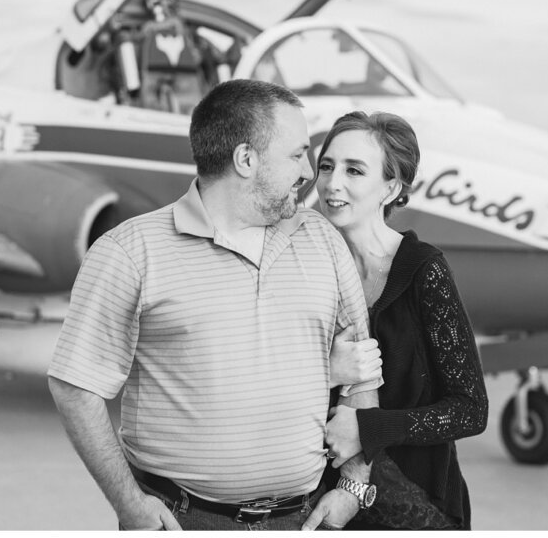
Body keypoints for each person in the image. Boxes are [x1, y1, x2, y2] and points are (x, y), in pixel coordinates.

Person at [47, 80, 382, 531]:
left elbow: (363, 374)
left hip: (303, 520)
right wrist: (128, 503)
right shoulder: (130, 252)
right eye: (296, 154)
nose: (308, 172)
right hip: (182, 520)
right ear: (246, 160)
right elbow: (75, 386)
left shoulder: (322, 239)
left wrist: (354, 486)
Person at [316, 111, 488, 530]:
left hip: (413, 505)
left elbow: (471, 409)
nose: (332, 183)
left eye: (354, 170)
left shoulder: (423, 270)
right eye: (326, 166)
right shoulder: (309, 265)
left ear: (390, 187)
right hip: (322, 504)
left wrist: (370, 427)